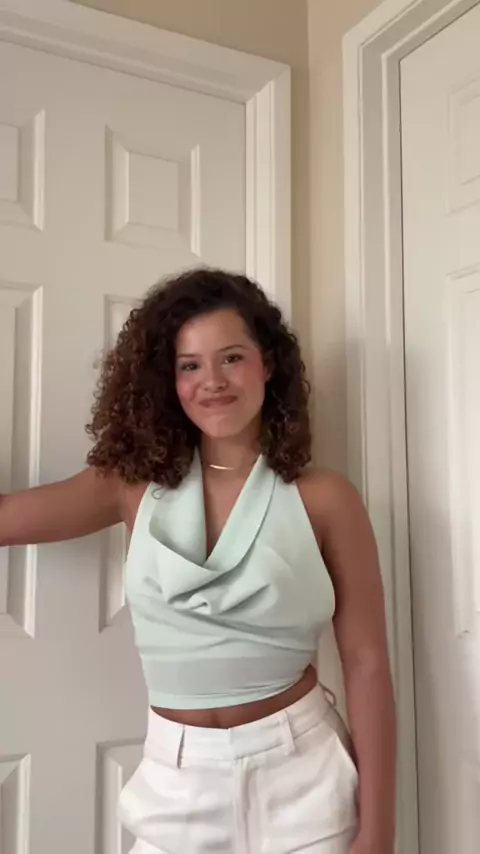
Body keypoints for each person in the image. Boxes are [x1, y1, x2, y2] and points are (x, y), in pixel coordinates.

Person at [0, 268, 396, 854]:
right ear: (167, 379)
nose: (212, 381)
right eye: (189, 365)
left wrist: (378, 831)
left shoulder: (325, 498)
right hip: (176, 785)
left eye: (231, 358)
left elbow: (367, 663)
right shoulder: (129, 485)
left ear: (268, 364)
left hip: (306, 778)